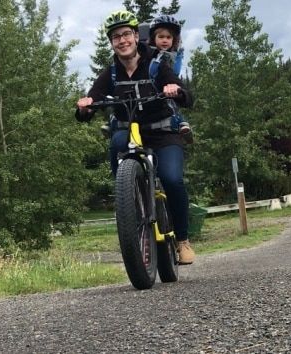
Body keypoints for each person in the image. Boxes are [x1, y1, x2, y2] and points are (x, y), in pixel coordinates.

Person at [75, 10, 195, 264]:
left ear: (135, 36)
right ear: (112, 42)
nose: (122, 41)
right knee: (117, 143)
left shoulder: (156, 63)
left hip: (163, 133)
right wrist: (84, 106)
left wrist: (175, 90)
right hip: (129, 132)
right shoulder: (112, 73)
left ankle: (182, 240)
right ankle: (128, 200)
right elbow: (92, 98)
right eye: (116, 37)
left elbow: (186, 94)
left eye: (126, 34)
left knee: (173, 180)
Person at [148, 14, 192, 142]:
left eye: (168, 37)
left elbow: (176, 72)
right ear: (153, 38)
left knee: (170, 101)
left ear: (174, 40)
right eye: (161, 37)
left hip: (167, 84)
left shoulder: (173, 55)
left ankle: (181, 122)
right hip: (150, 84)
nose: (165, 40)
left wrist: (178, 55)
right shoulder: (148, 54)